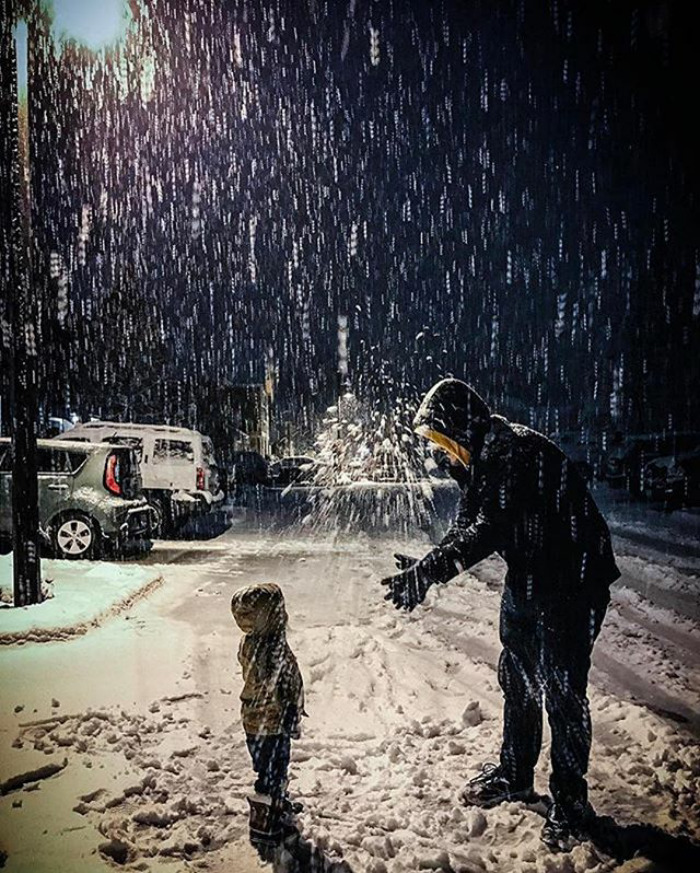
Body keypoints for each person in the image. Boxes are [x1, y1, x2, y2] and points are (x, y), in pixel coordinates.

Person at [380, 378, 620, 851]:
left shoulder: (514, 455)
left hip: (574, 578)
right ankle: (515, 772)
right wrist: (428, 565)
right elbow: (468, 525)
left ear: (464, 431)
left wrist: (430, 573)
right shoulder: (482, 459)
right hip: (531, 574)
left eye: (446, 442)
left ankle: (571, 806)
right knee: (519, 676)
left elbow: (489, 529)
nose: (445, 455)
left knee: (562, 690)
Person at [231, 583, 306, 839]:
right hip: (273, 722)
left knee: (265, 767)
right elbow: (281, 686)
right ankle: (265, 822)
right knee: (275, 770)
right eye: (278, 611)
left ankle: (276, 803)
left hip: (252, 720)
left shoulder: (249, 643)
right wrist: (291, 711)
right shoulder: (273, 649)